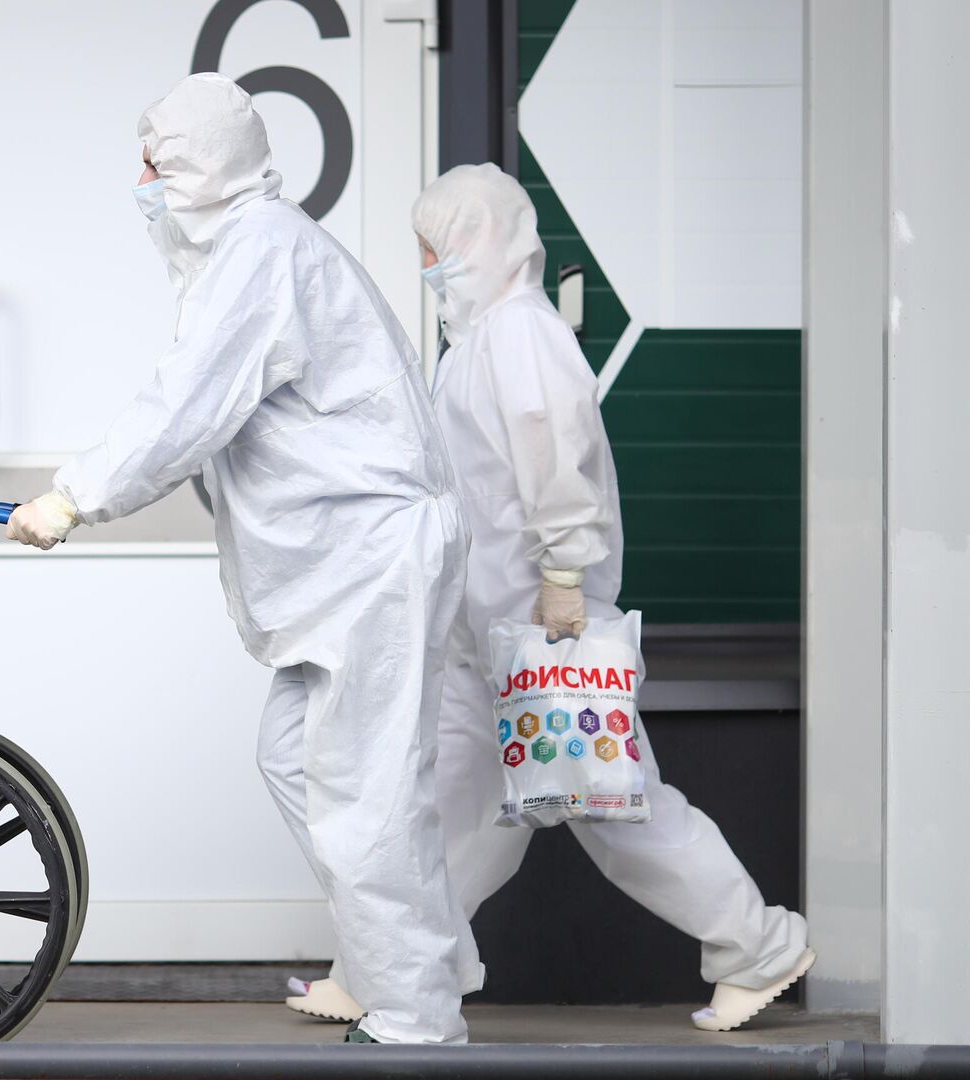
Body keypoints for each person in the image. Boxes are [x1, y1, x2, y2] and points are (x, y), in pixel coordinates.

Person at [5, 73, 479, 1045]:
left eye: (156, 161)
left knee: (361, 788)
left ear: (202, 168)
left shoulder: (261, 254)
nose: (140, 179)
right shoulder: (246, 254)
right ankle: (414, 954)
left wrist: (73, 495)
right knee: (301, 763)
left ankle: (419, 1013)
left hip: (371, 558)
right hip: (351, 564)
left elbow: (188, 405)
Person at [284, 163, 813, 1033]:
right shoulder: (488, 336)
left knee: (619, 808)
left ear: (478, 240)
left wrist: (565, 572)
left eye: (437, 243)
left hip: (540, 630)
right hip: (490, 637)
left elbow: (551, 447)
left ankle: (757, 945)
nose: (426, 260)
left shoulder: (520, 335)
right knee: (450, 809)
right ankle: (388, 965)